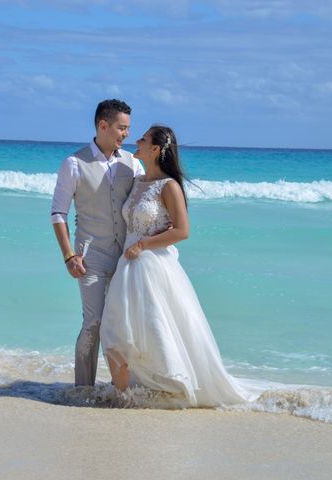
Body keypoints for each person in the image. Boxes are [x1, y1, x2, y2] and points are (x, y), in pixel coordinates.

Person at [100, 125, 257, 407]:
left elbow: (182, 231)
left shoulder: (169, 186)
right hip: (127, 265)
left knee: (152, 330)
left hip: (151, 266)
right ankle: (123, 397)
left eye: (144, 139)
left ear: (156, 150)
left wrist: (144, 244)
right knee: (115, 329)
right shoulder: (137, 182)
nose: (137, 140)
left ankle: (170, 388)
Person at [51, 99, 144, 386]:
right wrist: (69, 255)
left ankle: (124, 388)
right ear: (103, 125)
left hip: (126, 258)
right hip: (90, 258)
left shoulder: (133, 163)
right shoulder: (74, 163)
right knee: (93, 323)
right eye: (121, 128)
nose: (126, 134)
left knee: (125, 326)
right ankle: (82, 389)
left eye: (128, 128)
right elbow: (58, 213)